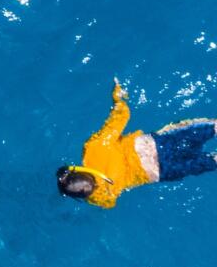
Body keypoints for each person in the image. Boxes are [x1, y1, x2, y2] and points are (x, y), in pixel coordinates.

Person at [57, 80, 217, 209]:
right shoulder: (94, 147)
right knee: (211, 127)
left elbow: (110, 204)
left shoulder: (102, 196)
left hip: (160, 171)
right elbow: (122, 116)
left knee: (212, 161)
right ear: (76, 169)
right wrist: (118, 99)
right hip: (157, 145)